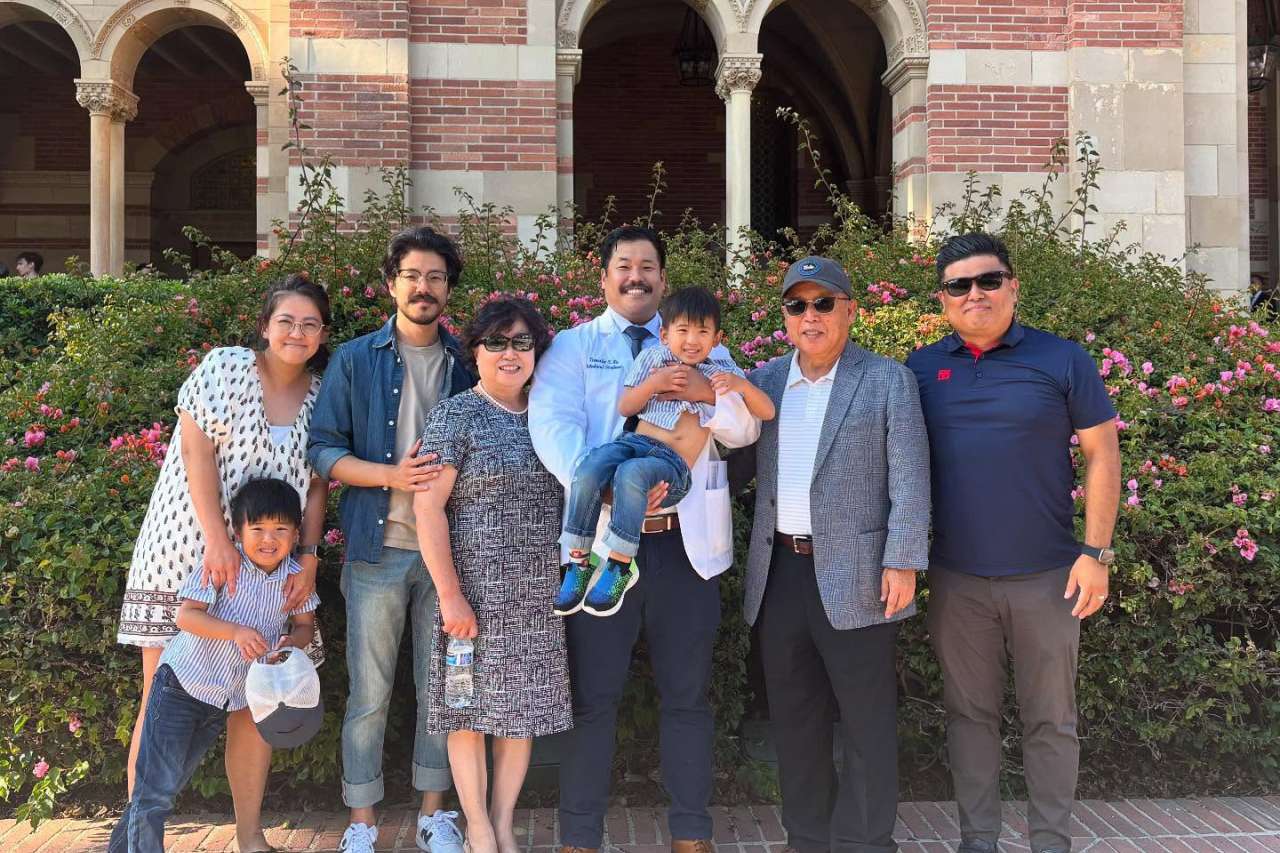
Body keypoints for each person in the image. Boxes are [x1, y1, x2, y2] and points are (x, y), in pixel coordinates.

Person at [529, 225, 760, 853]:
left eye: (649, 267)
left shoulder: (708, 348)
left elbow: (742, 432)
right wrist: (605, 490)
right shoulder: (574, 347)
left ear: (662, 278)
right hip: (608, 547)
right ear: (603, 277)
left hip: (685, 547)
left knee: (687, 694)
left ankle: (690, 830)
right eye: (624, 266)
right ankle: (580, 834)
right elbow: (552, 425)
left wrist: (707, 393)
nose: (637, 276)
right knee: (593, 695)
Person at [905, 233, 1121, 853]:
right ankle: (979, 842)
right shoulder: (921, 369)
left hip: (1049, 577)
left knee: (1051, 721)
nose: (975, 293)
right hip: (956, 577)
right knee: (968, 718)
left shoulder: (1063, 360)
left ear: (1012, 286)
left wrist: (1096, 553)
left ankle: (1050, 843)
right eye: (959, 285)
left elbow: (1102, 455)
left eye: (988, 280)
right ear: (943, 299)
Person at [116, 273, 330, 853]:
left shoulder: (321, 396)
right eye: (286, 320)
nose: (296, 331)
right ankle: (139, 838)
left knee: (256, 698)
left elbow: (315, 487)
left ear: (322, 335)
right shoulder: (226, 367)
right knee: (160, 700)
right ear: (265, 325)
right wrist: (216, 539)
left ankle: (249, 834)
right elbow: (195, 450)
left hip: (267, 566)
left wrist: (308, 556)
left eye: (310, 323)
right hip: (191, 546)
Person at [731, 255, 930, 853]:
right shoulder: (763, 383)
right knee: (795, 717)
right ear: (785, 317)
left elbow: (911, 477)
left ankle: (868, 840)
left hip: (861, 573)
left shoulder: (887, 379)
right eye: (797, 305)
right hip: (781, 573)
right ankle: (809, 836)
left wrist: (904, 559)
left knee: (866, 718)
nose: (809, 316)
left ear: (849, 309)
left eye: (823, 303)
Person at [307, 226, 475, 853]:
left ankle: (436, 813)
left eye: (435, 277)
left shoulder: (467, 362)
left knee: (443, 688)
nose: (424, 287)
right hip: (376, 551)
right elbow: (323, 449)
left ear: (447, 289)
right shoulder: (355, 359)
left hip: (450, 557)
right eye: (413, 276)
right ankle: (361, 821)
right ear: (392, 283)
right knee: (369, 692)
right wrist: (390, 475)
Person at [414, 296, 573, 853]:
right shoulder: (456, 415)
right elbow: (427, 508)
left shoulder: (552, 414)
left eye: (522, 342)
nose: (511, 353)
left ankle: (503, 821)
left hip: (537, 600)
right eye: (497, 342)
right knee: (467, 712)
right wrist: (450, 595)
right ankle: (477, 826)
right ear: (474, 351)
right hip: (471, 601)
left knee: (519, 713)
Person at [108, 478, 320, 853]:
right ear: (238, 531)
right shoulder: (224, 565)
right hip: (180, 687)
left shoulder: (294, 579)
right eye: (257, 529)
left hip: (223, 700)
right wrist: (235, 632)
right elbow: (187, 617)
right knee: (154, 790)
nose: (268, 539)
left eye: (280, 530)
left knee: (162, 787)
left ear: (296, 533)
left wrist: (291, 645)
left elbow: (305, 626)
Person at [556, 286, 774, 617]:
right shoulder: (653, 359)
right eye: (682, 330)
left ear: (717, 338)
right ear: (664, 333)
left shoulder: (720, 369)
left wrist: (736, 387)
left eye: (702, 331)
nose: (691, 340)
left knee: (631, 474)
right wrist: (654, 384)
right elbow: (626, 405)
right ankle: (579, 560)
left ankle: (619, 565)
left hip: (672, 466)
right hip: (634, 445)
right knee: (588, 468)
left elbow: (765, 414)